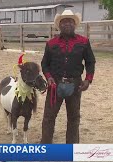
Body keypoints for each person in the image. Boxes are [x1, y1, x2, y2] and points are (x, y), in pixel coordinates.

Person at [40, 10, 96, 144]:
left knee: (74, 117)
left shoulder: (84, 42)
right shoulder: (51, 44)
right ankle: (46, 144)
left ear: (74, 24)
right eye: (64, 22)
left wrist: (88, 79)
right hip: (55, 84)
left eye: (70, 21)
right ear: (59, 25)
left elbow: (90, 61)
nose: (67, 24)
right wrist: (48, 77)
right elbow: (45, 63)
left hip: (75, 84)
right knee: (49, 116)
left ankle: (72, 146)